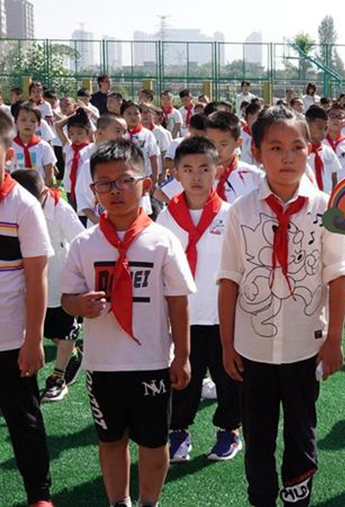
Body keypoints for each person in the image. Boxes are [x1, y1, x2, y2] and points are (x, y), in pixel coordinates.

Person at [218, 105, 345, 506]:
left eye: (297, 146)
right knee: (257, 438)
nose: (288, 157)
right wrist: (227, 344)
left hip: (304, 347)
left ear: (310, 149)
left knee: (301, 435)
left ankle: (297, 498)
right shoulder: (240, 211)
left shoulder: (326, 209)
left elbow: (338, 275)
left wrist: (335, 339)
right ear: (257, 152)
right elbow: (229, 280)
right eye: (275, 147)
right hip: (252, 350)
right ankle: (261, 499)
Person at [60, 139, 195, 507]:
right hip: (102, 366)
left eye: (124, 180)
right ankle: (119, 502)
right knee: (110, 440)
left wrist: (182, 356)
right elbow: (67, 299)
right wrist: (79, 305)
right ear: (93, 190)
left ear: (145, 184)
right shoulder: (84, 243)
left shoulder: (162, 241)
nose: (115, 190)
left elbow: (178, 301)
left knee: (154, 441)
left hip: (151, 362)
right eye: (105, 183)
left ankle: (149, 501)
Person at [154, 137, 242, 463]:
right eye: (188, 169)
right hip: (182, 316)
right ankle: (178, 430)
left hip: (222, 315)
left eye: (204, 168)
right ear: (176, 173)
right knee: (182, 379)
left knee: (228, 376)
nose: (196, 176)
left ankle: (229, 429)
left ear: (217, 170)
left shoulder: (231, 215)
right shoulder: (166, 218)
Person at [0, 113, 56, 507]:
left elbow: (37, 278)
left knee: (24, 420)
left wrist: (33, 339)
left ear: (7, 153)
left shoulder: (22, 205)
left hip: (10, 337)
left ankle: (39, 494)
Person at [11, 170, 85, 403]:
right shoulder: (15, 206)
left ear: (42, 193)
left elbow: (81, 240)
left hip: (62, 281)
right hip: (33, 281)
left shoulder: (60, 209)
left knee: (65, 329)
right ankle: (74, 354)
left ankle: (57, 378)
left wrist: (80, 276)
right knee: (46, 331)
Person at [159, 112, 263, 205]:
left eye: (224, 144)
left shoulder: (253, 175)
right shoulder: (196, 172)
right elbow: (160, 194)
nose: (217, 149)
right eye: (211, 142)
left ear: (238, 142)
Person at [74, 115, 127, 225]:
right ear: (100, 133)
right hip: (98, 224)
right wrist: (95, 219)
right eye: (117, 131)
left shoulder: (130, 163)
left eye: (125, 132)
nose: (122, 136)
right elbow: (81, 195)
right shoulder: (90, 164)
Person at [54, 108, 94, 214]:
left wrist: (85, 117)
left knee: (86, 215)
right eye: (71, 134)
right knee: (73, 214)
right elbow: (58, 126)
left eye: (79, 133)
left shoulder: (91, 148)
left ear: (88, 133)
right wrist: (74, 116)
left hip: (85, 189)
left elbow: (97, 132)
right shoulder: (68, 147)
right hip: (70, 189)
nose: (75, 137)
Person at [11, 102, 57, 185]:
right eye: (23, 120)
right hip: (15, 189)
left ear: (38, 124)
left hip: (38, 189)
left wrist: (41, 190)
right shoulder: (9, 146)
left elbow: (49, 174)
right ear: (16, 121)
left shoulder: (44, 147)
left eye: (33, 121)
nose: (28, 124)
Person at [304, 105, 342, 194]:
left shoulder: (328, 151)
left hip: (326, 198)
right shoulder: (300, 152)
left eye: (326, 128)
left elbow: (334, 177)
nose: (323, 133)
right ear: (307, 127)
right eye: (319, 128)